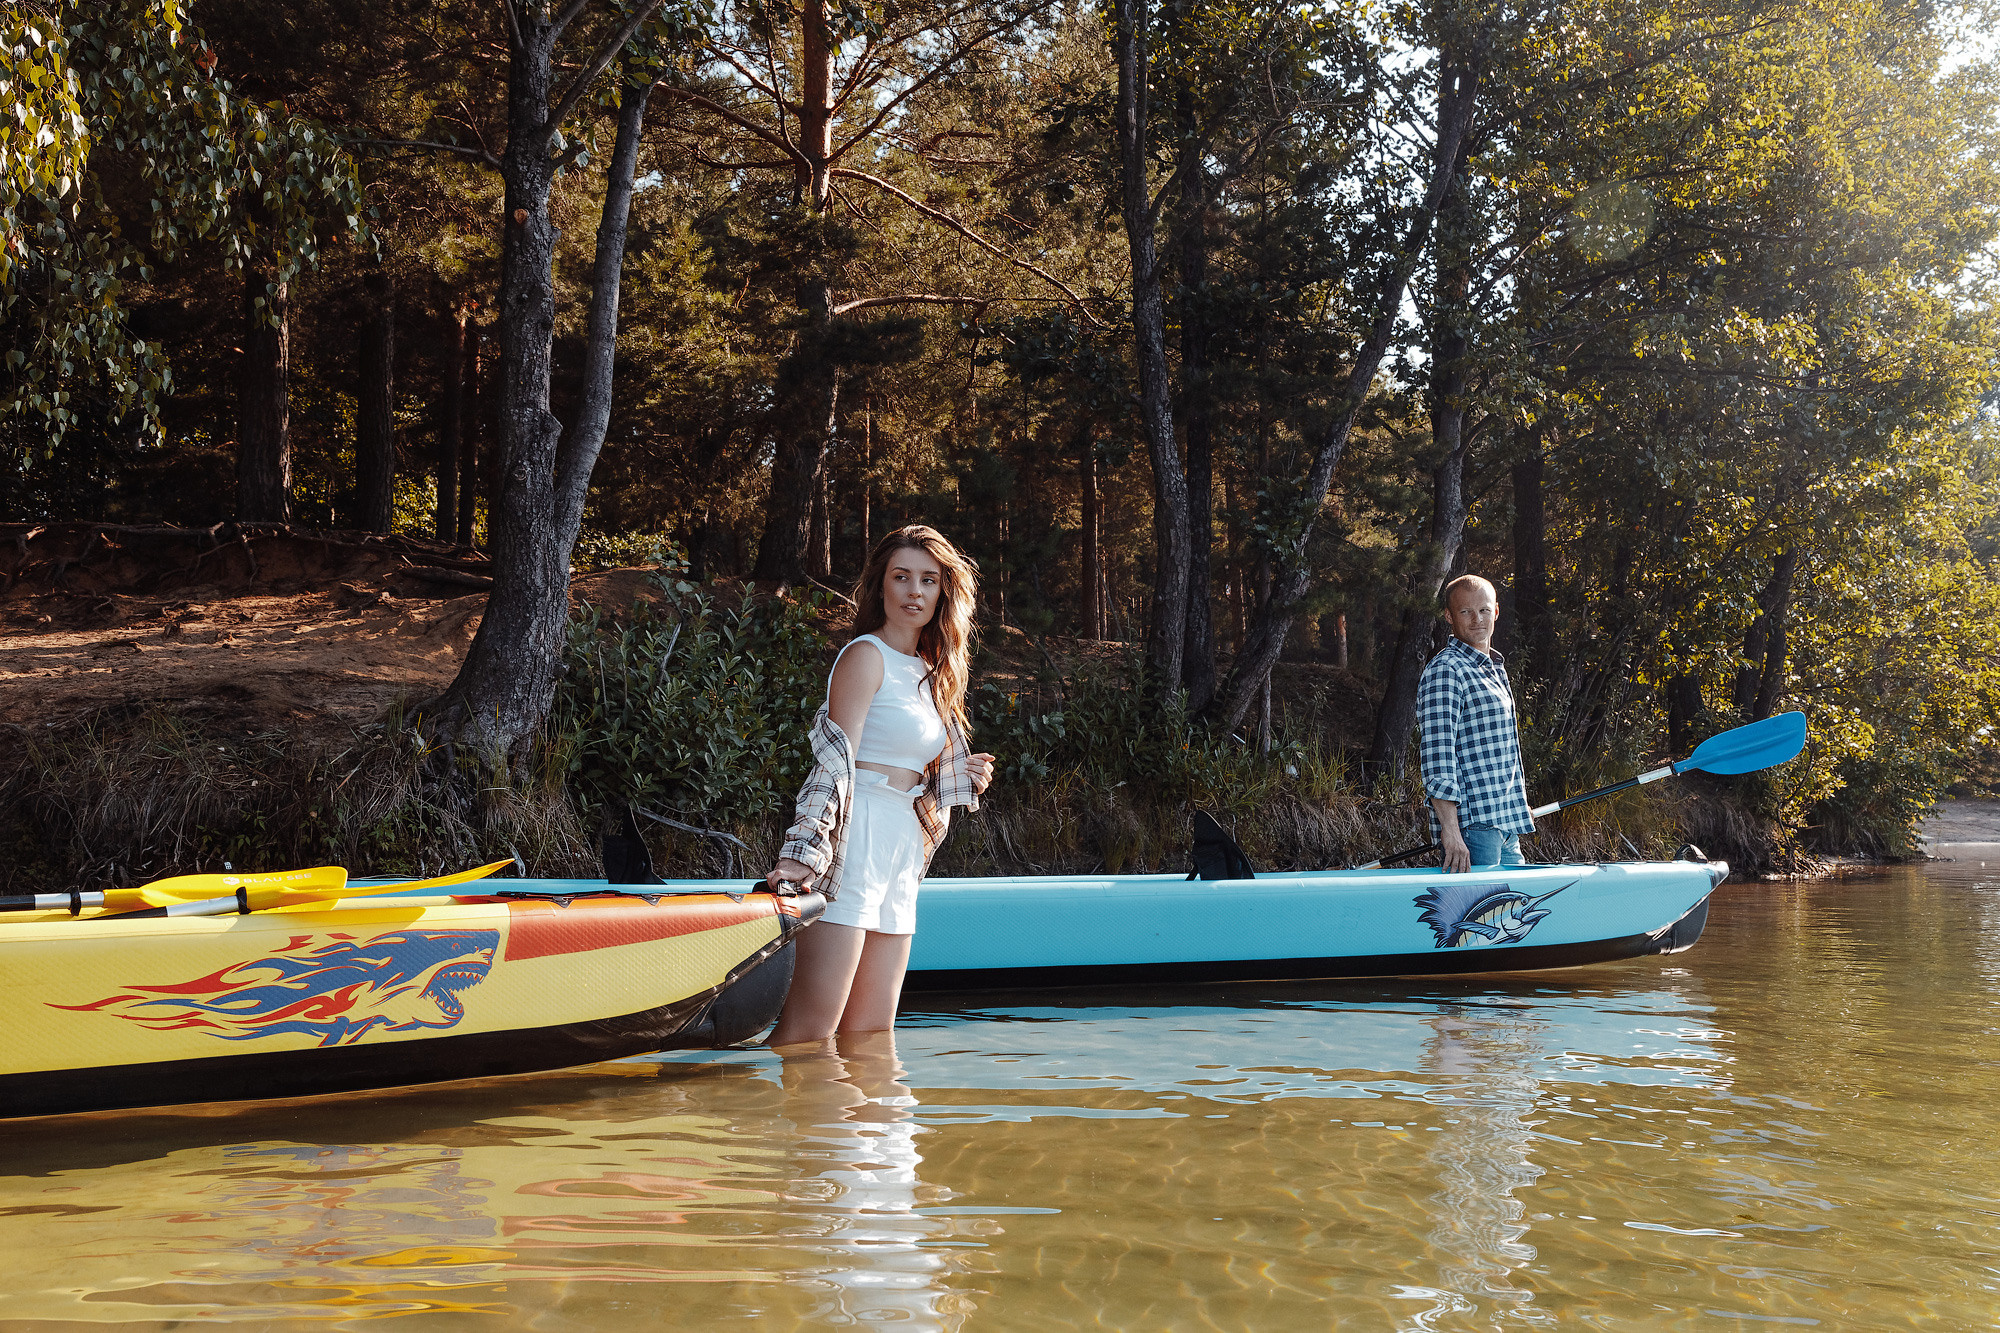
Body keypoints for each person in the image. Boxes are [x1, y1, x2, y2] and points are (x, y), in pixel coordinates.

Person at [764, 526, 995, 1047]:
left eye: (928, 580)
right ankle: (760, 1100)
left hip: (902, 842)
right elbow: (835, 764)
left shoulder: (933, 671)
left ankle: (875, 1109)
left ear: (943, 591)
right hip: (857, 833)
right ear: (881, 586)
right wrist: (803, 855)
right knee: (809, 1030)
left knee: (871, 1034)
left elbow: (910, 765)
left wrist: (960, 775)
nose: (915, 591)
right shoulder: (865, 656)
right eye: (901, 577)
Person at [1418, 574, 1534, 873]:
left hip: (1506, 824)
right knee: (1483, 906)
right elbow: (1437, 756)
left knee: (1515, 904)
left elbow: (1496, 752)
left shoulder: (1494, 668)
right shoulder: (1446, 670)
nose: (1477, 619)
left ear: (1496, 611)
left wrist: (1516, 804)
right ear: (1449, 616)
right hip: (1474, 829)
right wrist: (1451, 831)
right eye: (1465, 611)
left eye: (1483, 610)